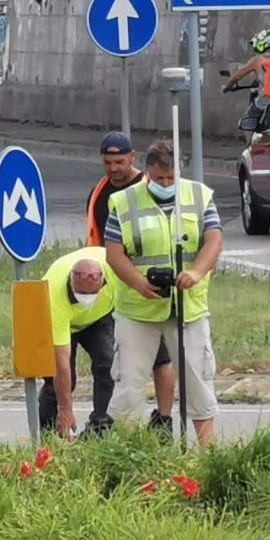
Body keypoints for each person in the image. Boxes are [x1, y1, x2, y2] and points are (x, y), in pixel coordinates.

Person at [105, 140, 224, 447]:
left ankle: (206, 452)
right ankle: (126, 452)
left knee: (197, 380)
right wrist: (138, 283)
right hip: (138, 310)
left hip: (188, 306)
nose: (166, 184)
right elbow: (114, 254)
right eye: (159, 179)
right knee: (129, 384)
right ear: (148, 171)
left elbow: (213, 241)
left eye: (171, 178)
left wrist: (195, 272)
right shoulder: (124, 202)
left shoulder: (199, 196)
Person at [86, 131, 177, 434]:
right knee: (118, 362)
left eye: (119, 161)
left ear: (133, 158)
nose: (113, 168)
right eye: (108, 162)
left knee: (160, 358)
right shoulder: (99, 192)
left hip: (151, 291)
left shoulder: (148, 187)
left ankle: (163, 418)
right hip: (113, 289)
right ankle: (116, 422)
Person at [37, 247, 117, 438]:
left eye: (92, 294)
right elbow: (61, 364)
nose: (85, 300)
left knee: (108, 365)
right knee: (59, 379)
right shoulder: (52, 294)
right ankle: (50, 436)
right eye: (80, 294)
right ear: (71, 283)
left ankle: (100, 427)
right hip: (64, 322)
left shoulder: (114, 271)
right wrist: (66, 409)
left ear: (103, 282)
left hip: (100, 316)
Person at [222, 30, 270, 134]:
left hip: (265, 101)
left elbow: (236, 77)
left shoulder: (258, 60)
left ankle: (250, 147)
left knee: (247, 123)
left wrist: (227, 86)